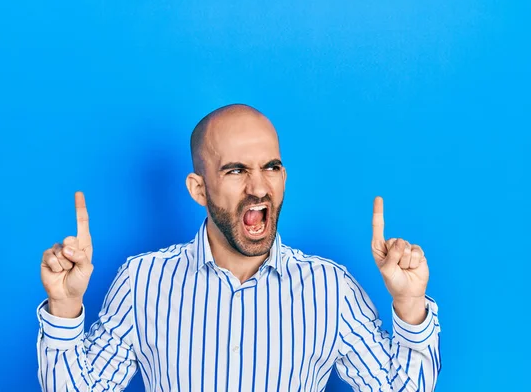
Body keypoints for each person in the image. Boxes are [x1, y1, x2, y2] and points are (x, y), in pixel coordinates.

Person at [37, 104, 441, 392]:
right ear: (199, 189)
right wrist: (65, 307)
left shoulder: (329, 290)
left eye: (271, 167)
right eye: (236, 171)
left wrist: (410, 305)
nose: (259, 187)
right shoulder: (143, 282)